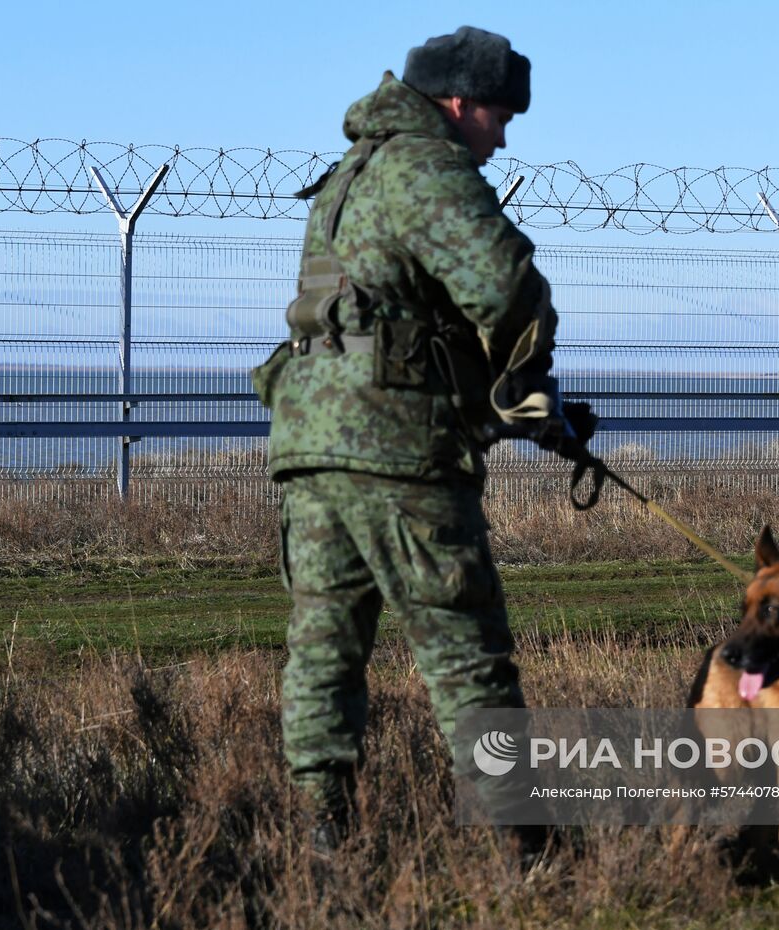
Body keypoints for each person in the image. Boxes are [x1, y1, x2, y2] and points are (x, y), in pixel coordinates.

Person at [252, 25, 594, 855]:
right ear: (459, 103)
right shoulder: (425, 165)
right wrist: (523, 383)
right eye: (500, 116)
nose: (503, 138)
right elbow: (505, 283)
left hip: (309, 444)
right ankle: (523, 848)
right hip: (397, 448)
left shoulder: (349, 176)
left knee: (323, 653)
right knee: (465, 652)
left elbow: (389, 317)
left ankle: (320, 838)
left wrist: (500, 400)